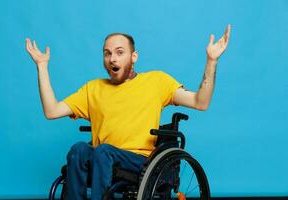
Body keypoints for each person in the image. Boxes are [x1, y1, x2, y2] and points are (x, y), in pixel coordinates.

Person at [25, 25, 230, 200]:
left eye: (120, 52)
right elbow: (51, 111)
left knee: (103, 151)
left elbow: (200, 102)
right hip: (101, 158)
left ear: (134, 57)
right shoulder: (93, 88)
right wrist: (42, 67)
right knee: (79, 149)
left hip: (139, 160)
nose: (112, 58)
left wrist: (211, 61)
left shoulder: (156, 81)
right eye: (107, 53)